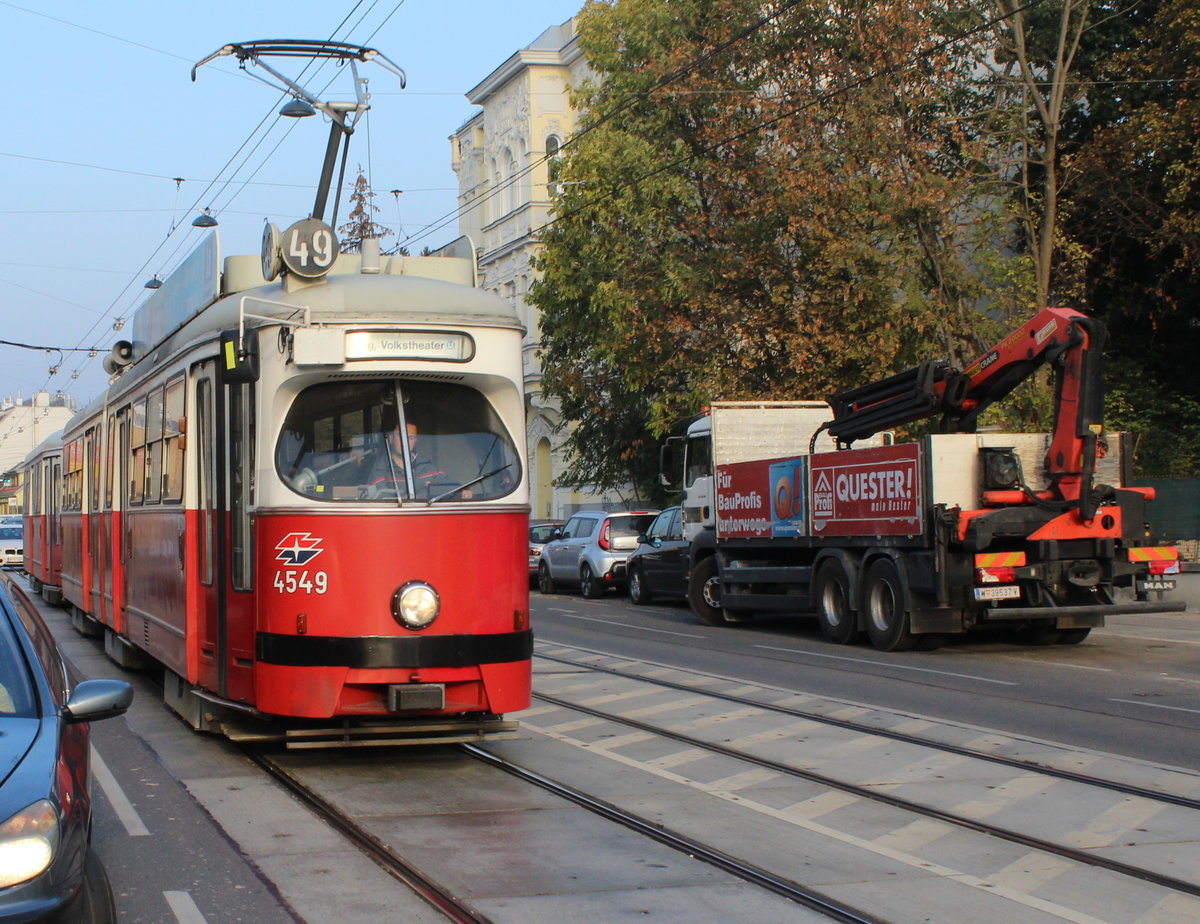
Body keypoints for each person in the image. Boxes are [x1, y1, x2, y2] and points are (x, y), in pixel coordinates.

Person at [364, 421, 443, 497]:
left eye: (411, 438)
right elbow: (383, 503)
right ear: (391, 439)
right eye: (401, 436)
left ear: (415, 441)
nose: (405, 441)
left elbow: (451, 491)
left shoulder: (428, 467)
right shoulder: (379, 470)